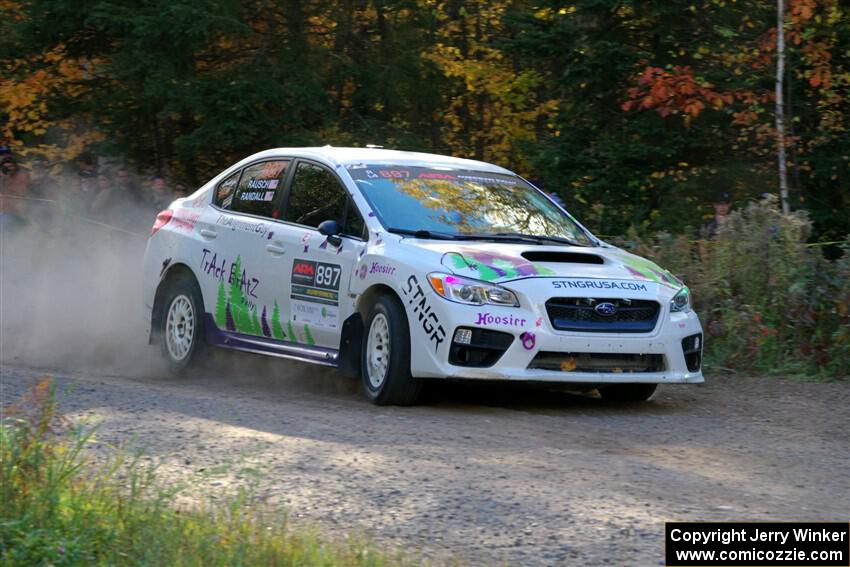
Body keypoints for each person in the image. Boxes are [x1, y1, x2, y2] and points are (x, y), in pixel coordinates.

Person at [0, 156, 31, 229]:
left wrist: (7, 179)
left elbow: (22, 191)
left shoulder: (22, 175)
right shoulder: (2, 176)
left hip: (20, 211)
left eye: (10, 166)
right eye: (5, 167)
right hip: (4, 211)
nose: (8, 168)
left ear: (15, 166)